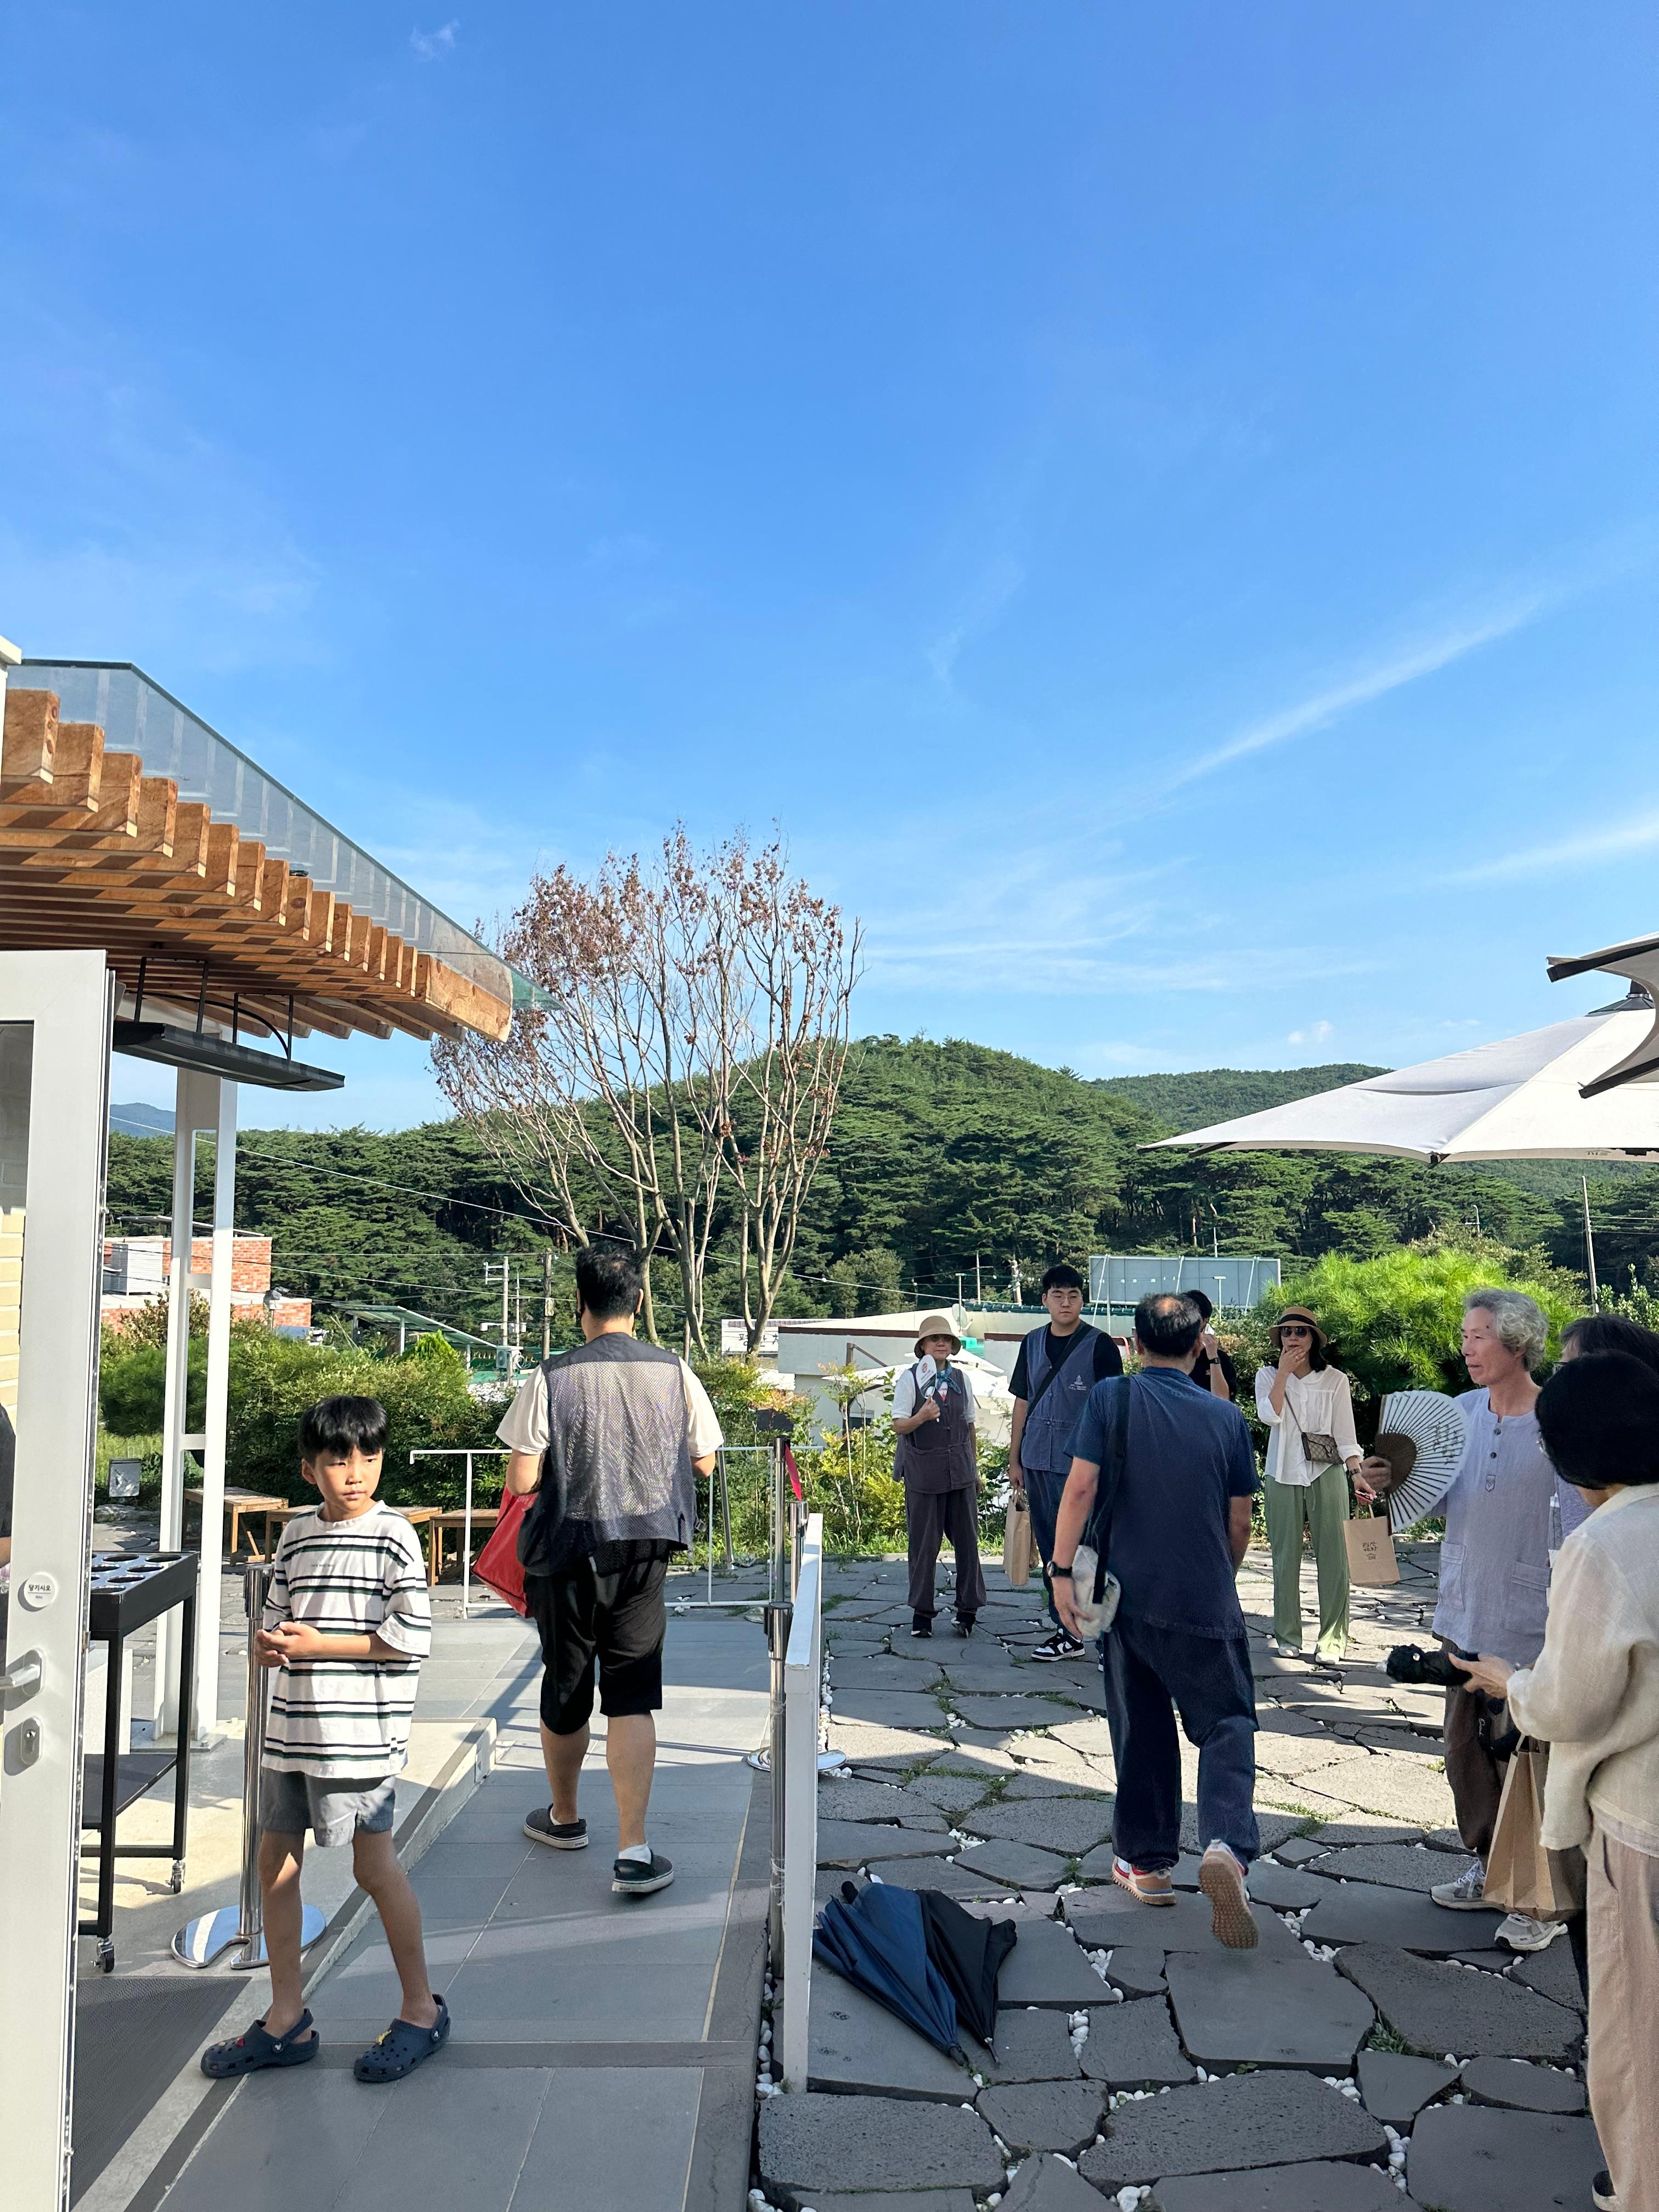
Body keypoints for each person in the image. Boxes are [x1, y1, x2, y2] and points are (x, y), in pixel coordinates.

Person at [1449, 1351, 1659, 2212]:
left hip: (1640, 1821)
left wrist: (1511, 1684)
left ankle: (1640, 2188)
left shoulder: (1605, 1544)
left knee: (1637, 2029)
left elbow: (1571, 1702)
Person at [201, 1397, 445, 2083]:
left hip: (359, 1736)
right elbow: (276, 1616)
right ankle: (287, 2018)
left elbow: (409, 1638)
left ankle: (421, 2010)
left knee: (374, 1868)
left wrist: (318, 1645)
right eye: (339, 1460)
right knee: (274, 1864)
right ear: (310, 1470)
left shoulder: (394, 1536)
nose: (356, 1472)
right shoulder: (296, 1535)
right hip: (291, 1730)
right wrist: (268, 1644)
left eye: (369, 1457)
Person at [499, 1246, 723, 1898]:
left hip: (567, 1552)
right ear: (640, 1303)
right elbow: (705, 1461)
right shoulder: (674, 1371)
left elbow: (522, 1479)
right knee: (631, 1692)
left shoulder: (552, 1375)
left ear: (579, 1303)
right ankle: (633, 1847)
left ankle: (565, 1817)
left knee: (567, 1683)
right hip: (644, 1549)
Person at [1050, 1293, 1261, 1949]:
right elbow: (1240, 1521)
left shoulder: (1110, 1399)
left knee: (1141, 1728)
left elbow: (1080, 1489)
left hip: (1127, 1600)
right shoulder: (1226, 1418)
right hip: (1203, 1598)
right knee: (1226, 1723)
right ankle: (1225, 1845)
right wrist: (1220, 1576)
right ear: (1200, 1345)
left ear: (1134, 1345)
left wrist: (1060, 1573)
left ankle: (1147, 1865)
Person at [1359, 1287, 1568, 1945]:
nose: (1467, 1348)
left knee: (1526, 1761)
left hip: (1531, 1615)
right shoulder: (1461, 1415)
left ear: (1518, 1343)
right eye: (1465, 1336)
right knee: (1463, 1751)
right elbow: (1436, 1498)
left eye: (1478, 1336)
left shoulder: (1557, 1422)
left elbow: (1580, 1521)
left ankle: (1536, 1899)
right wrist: (1383, 1482)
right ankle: (1486, 1867)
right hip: (1464, 1603)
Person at [1008, 1265, 1122, 1661]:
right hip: (1037, 1458)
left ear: (1082, 1300)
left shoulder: (1101, 1345)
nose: (1066, 1302)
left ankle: (1104, 1637)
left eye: (1073, 1295)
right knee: (1050, 1548)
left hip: (1082, 1466)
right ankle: (1066, 1633)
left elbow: (1114, 1410)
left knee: (1090, 1550)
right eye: (1057, 1295)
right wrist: (1014, 1458)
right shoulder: (1031, 1343)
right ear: (1044, 1300)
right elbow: (1022, 1402)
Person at [1254, 1308, 1363, 1660]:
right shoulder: (1267, 1375)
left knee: (1334, 1558)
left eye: (1301, 1331)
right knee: (1285, 1556)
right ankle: (1287, 1636)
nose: (1293, 1338)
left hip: (1326, 1473)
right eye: (1287, 1332)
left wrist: (1357, 1473)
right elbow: (1269, 1416)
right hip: (1281, 1473)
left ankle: (1333, 1639)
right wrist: (1283, 1374)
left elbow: (1345, 1434)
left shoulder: (1335, 1380)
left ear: (1314, 1338)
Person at [893, 1312, 986, 1638]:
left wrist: (975, 1469)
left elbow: (969, 1425)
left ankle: (968, 1611)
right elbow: (899, 1425)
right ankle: (922, 1615)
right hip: (923, 1474)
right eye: (935, 1339)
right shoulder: (909, 1380)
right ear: (923, 1346)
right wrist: (921, 1416)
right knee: (923, 1547)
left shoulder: (962, 1379)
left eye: (946, 1339)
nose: (941, 1343)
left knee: (968, 1544)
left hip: (960, 1472)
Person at [1187, 1291, 1238, 1403]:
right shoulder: (1171, 1356)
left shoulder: (1219, 1359)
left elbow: (1224, 1401)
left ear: (1206, 1321)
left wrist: (1214, 1358)